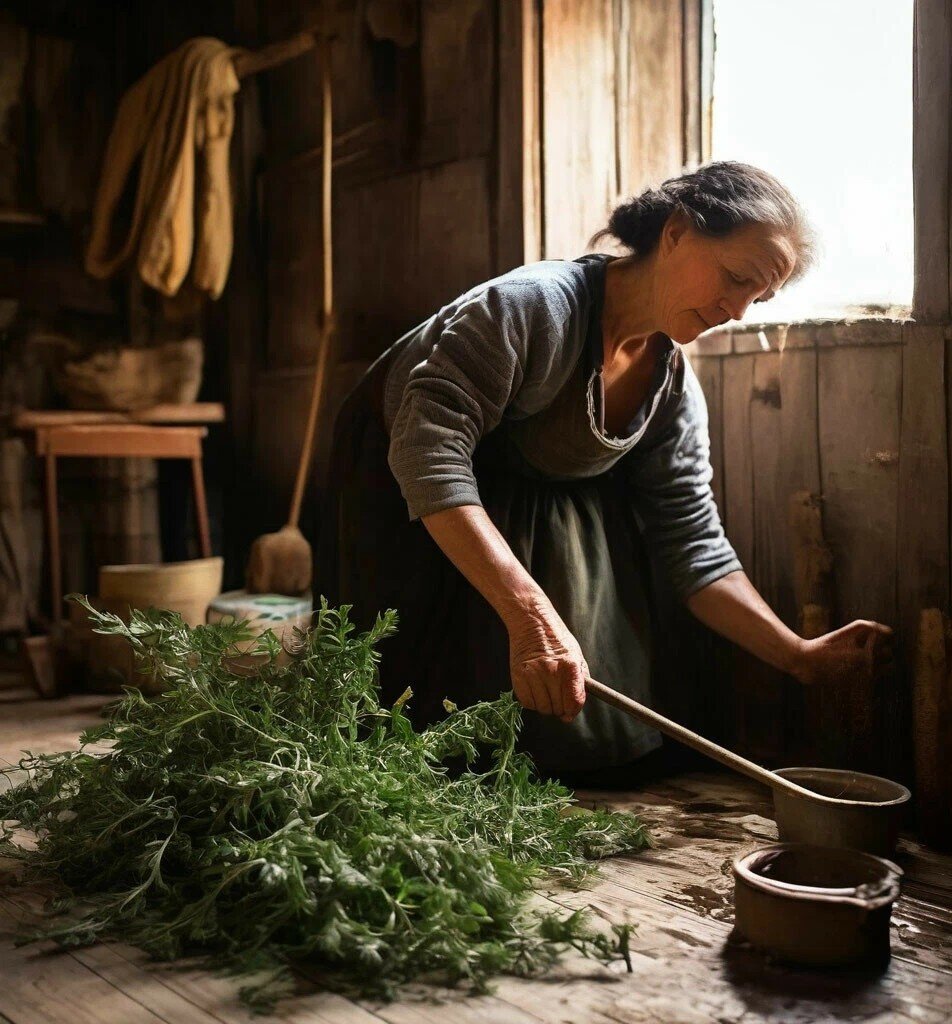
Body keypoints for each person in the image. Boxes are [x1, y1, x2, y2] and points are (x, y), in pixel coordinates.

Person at [315, 161, 893, 776]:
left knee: (569, 750)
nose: (739, 310)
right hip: (408, 506)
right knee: (414, 746)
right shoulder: (530, 308)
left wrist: (799, 656)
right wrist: (532, 618)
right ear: (676, 232)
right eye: (735, 278)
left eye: (760, 296)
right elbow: (428, 455)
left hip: (526, 510)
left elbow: (691, 542)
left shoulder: (670, 388)